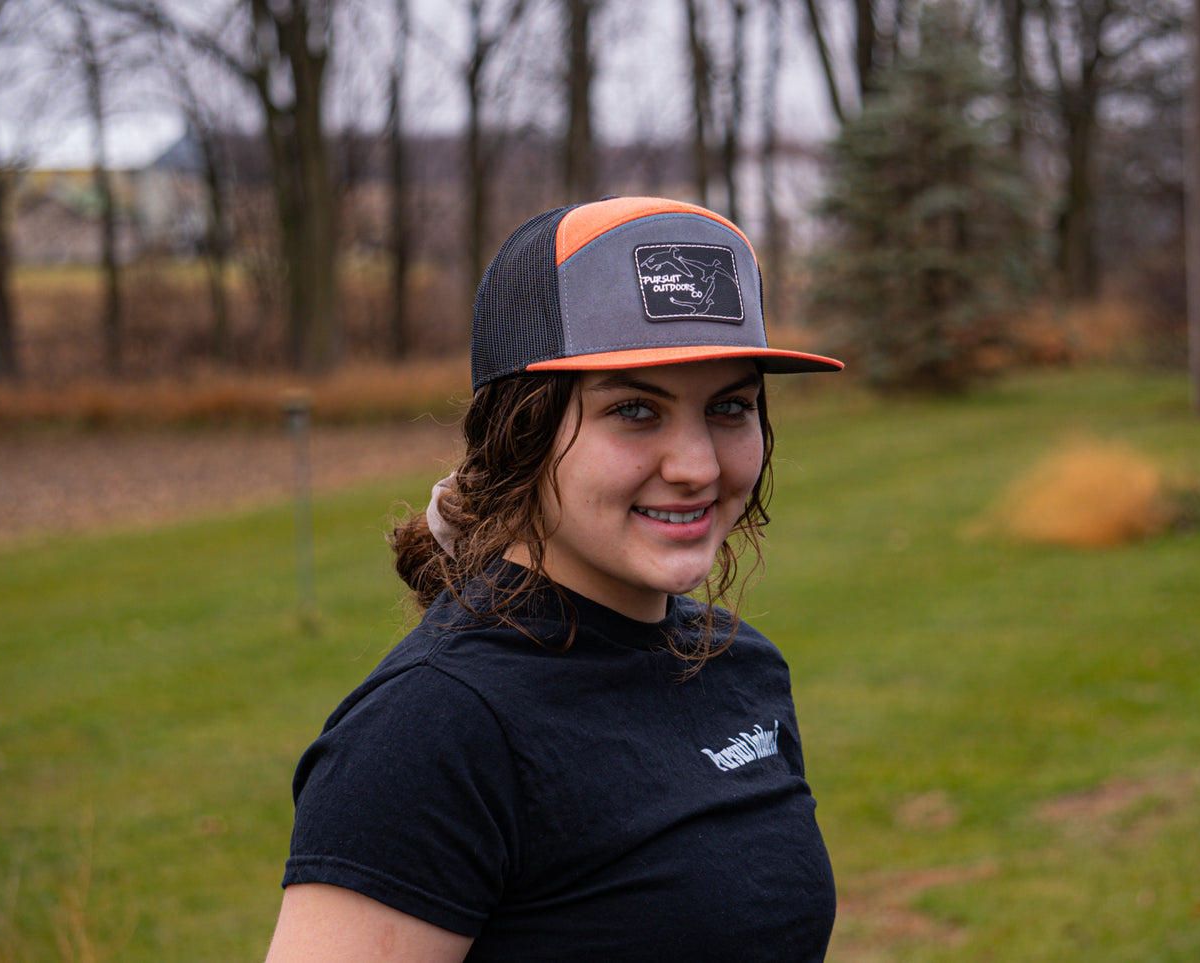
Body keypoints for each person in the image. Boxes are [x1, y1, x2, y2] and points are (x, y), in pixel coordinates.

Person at [265, 196, 844, 962]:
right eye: (635, 409)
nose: (697, 465)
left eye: (730, 406)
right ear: (521, 431)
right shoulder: (432, 731)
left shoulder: (741, 666)